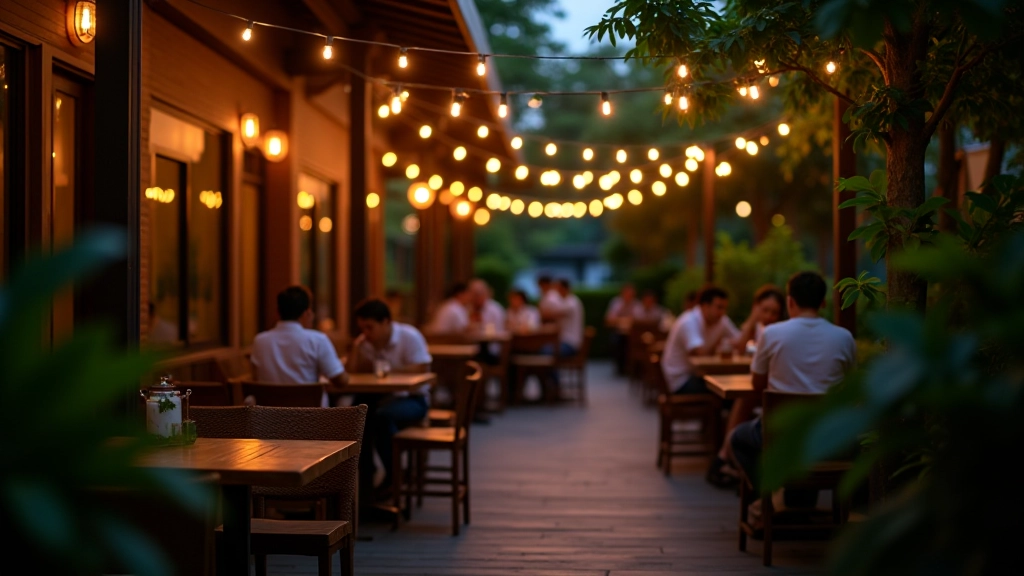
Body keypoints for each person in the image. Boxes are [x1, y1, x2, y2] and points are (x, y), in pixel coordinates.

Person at [729, 272, 856, 511]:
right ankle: (792, 503)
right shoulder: (844, 338)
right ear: (823, 303)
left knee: (738, 439)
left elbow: (757, 385)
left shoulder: (772, 334)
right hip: (829, 436)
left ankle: (765, 498)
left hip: (781, 434)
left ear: (790, 302)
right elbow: (848, 387)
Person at [706, 284, 788, 487]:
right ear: (756, 308)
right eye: (765, 310)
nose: (769, 316)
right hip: (772, 391)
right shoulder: (762, 329)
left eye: (774, 312)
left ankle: (725, 459)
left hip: (780, 397)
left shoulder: (777, 332)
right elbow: (741, 347)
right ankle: (727, 459)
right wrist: (753, 319)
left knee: (743, 401)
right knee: (743, 400)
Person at [349, 298, 433, 494]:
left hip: (412, 399)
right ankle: (365, 478)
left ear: (386, 322)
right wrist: (355, 349)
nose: (366, 333)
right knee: (355, 415)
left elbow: (422, 367)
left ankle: (394, 475)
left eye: (370, 328)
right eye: (362, 329)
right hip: (380, 397)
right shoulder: (365, 343)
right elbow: (351, 371)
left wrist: (390, 369)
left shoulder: (409, 336)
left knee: (380, 417)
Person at [250, 286, 348, 404]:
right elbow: (341, 381)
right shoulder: (317, 340)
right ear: (307, 313)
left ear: (277, 312)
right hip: (311, 419)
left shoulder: (259, 341)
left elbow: (255, 378)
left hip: (270, 419)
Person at [661, 286, 740, 395]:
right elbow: (701, 356)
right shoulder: (688, 321)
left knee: (731, 388)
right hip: (681, 380)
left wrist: (752, 321)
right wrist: (719, 342)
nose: (722, 312)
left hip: (698, 375)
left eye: (724, 308)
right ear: (704, 306)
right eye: (719, 307)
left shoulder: (721, 320)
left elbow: (740, 341)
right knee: (726, 392)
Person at [545, 279, 585, 357]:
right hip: (564, 341)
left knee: (545, 351)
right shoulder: (567, 301)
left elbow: (548, 314)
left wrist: (548, 295)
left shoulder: (571, 303)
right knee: (544, 349)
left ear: (563, 289)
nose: (555, 292)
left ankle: (553, 369)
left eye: (556, 288)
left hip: (570, 343)